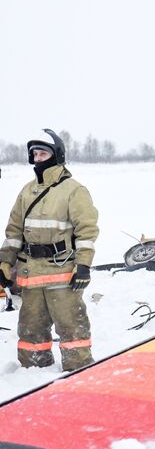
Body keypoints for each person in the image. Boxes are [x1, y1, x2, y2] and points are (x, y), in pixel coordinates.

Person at [0, 129, 99, 371]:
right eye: (34, 154)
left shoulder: (74, 190)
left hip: (62, 273)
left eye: (43, 153)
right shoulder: (26, 191)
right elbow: (13, 232)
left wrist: (83, 265)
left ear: (57, 155)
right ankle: (33, 374)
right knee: (30, 330)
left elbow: (86, 231)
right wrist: (4, 261)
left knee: (72, 327)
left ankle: (78, 370)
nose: (38, 158)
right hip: (30, 273)